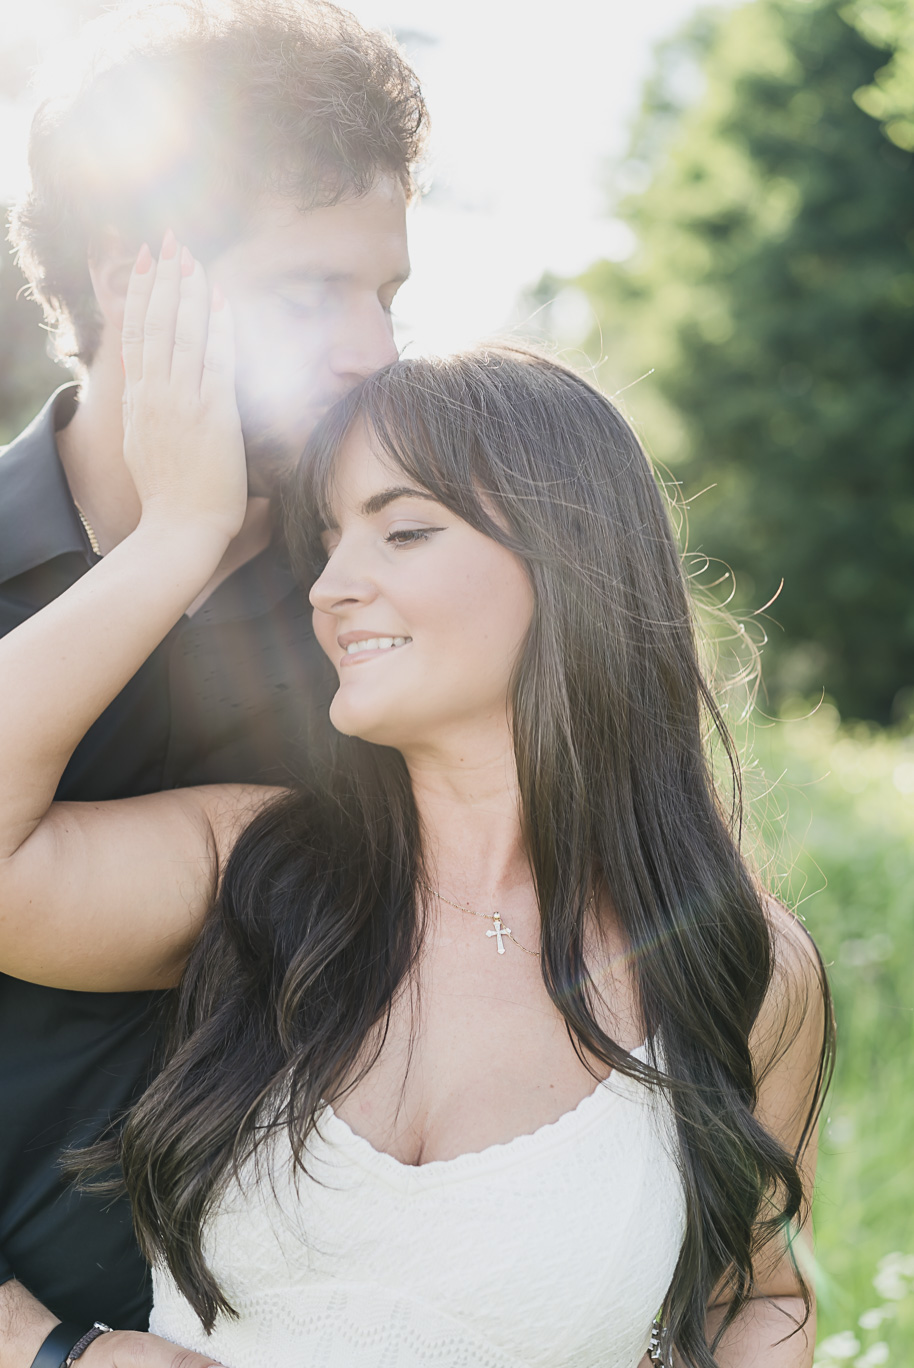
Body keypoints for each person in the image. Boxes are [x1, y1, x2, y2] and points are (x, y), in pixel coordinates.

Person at [0, 241, 833, 1368]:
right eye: (329, 538)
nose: (333, 586)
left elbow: (759, 1296)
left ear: (569, 565)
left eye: (401, 529)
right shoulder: (257, 865)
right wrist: (173, 537)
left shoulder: (741, 969)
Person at [0, 2, 426, 1365]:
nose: (372, 350)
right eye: (312, 293)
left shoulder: (395, 594)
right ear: (140, 276)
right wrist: (48, 1354)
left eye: (388, 295)